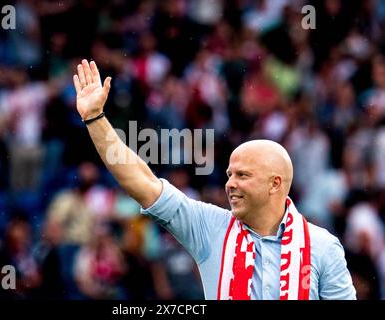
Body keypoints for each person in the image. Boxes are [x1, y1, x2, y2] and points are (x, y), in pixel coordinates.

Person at [72, 59, 356, 300]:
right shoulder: (208, 226)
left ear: (275, 183)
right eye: (229, 175)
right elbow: (143, 183)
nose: (230, 184)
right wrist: (96, 118)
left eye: (243, 175)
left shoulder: (322, 247)